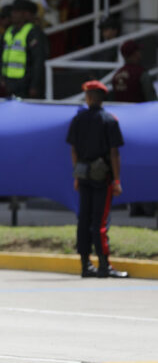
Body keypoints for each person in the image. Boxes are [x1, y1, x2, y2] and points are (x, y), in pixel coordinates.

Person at [66, 80, 129, 279]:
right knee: (100, 221)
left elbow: (74, 151)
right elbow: (114, 153)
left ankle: (85, 265)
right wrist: (117, 180)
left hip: (83, 175)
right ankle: (104, 265)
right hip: (102, 178)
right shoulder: (109, 120)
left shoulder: (78, 120)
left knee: (83, 220)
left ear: (90, 98)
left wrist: (77, 174)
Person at [112, 40, 157, 218]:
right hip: (143, 127)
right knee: (147, 165)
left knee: (128, 165)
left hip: (123, 126)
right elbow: (151, 101)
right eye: (138, 51)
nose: (140, 54)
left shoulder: (117, 75)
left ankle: (134, 206)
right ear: (132, 54)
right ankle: (147, 206)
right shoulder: (141, 74)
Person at [0, 0, 48, 99]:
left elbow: (38, 61)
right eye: (13, 11)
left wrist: (35, 85)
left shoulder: (33, 32)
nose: (13, 14)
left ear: (25, 14)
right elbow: (0, 57)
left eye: (16, 12)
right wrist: (1, 77)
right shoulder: (9, 31)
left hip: (25, 84)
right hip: (8, 83)